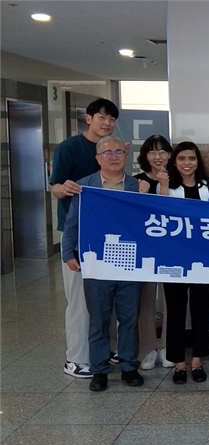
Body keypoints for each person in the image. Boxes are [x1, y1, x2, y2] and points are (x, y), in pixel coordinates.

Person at [61, 136, 143, 392]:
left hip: (130, 263)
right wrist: (68, 253)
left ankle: (129, 366)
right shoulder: (85, 186)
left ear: (126, 157)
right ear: (98, 158)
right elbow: (72, 222)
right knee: (99, 319)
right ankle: (100, 370)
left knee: (129, 318)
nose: (114, 156)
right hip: (96, 262)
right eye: (108, 153)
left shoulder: (137, 186)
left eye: (119, 152)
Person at [49, 98, 120, 378]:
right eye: (102, 117)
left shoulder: (114, 148)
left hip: (108, 235)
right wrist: (63, 188)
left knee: (107, 298)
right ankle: (76, 358)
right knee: (79, 300)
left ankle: (105, 351)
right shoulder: (70, 147)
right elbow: (54, 187)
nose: (107, 123)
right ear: (88, 119)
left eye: (111, 119)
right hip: (78, 234)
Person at [159, 141, 209, 384]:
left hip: (204, 259)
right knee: (175, 311)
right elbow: (160, 214)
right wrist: (163, 186)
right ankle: (178, 364)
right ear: (174, 162)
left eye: (191, 158)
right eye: (182, 158)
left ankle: (197, 361)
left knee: (201, 311)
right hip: (173, 259)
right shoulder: (167, 187)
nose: (187, 163)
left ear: (197, 161)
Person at [133, 134, 174, 370]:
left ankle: (169, 346)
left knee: (172, 300)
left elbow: (170, 212)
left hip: (171, 249)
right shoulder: (137, 182)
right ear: (144, 156)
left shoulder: (178, 179)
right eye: (152, 151)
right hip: (144, 249)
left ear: (169, 154)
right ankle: (147, 348)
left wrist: (164, 186)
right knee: (145, 299)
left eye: (162, 151)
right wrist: (142, 194)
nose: (157, 156)